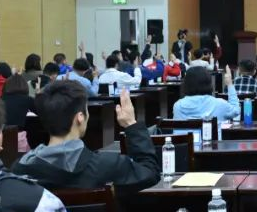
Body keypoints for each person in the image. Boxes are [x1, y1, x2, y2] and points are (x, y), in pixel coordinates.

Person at [14, 82, 160, 194]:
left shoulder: (20, 169)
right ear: (80, 117)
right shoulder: (108, 165)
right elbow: (150, 173)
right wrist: (131, 125)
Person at [173, 66, 239, 122]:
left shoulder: (178, 106)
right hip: (211, 134)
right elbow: (236, 111)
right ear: (209, 83)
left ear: (186, 84)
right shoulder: (219, 104)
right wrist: (230, 84)